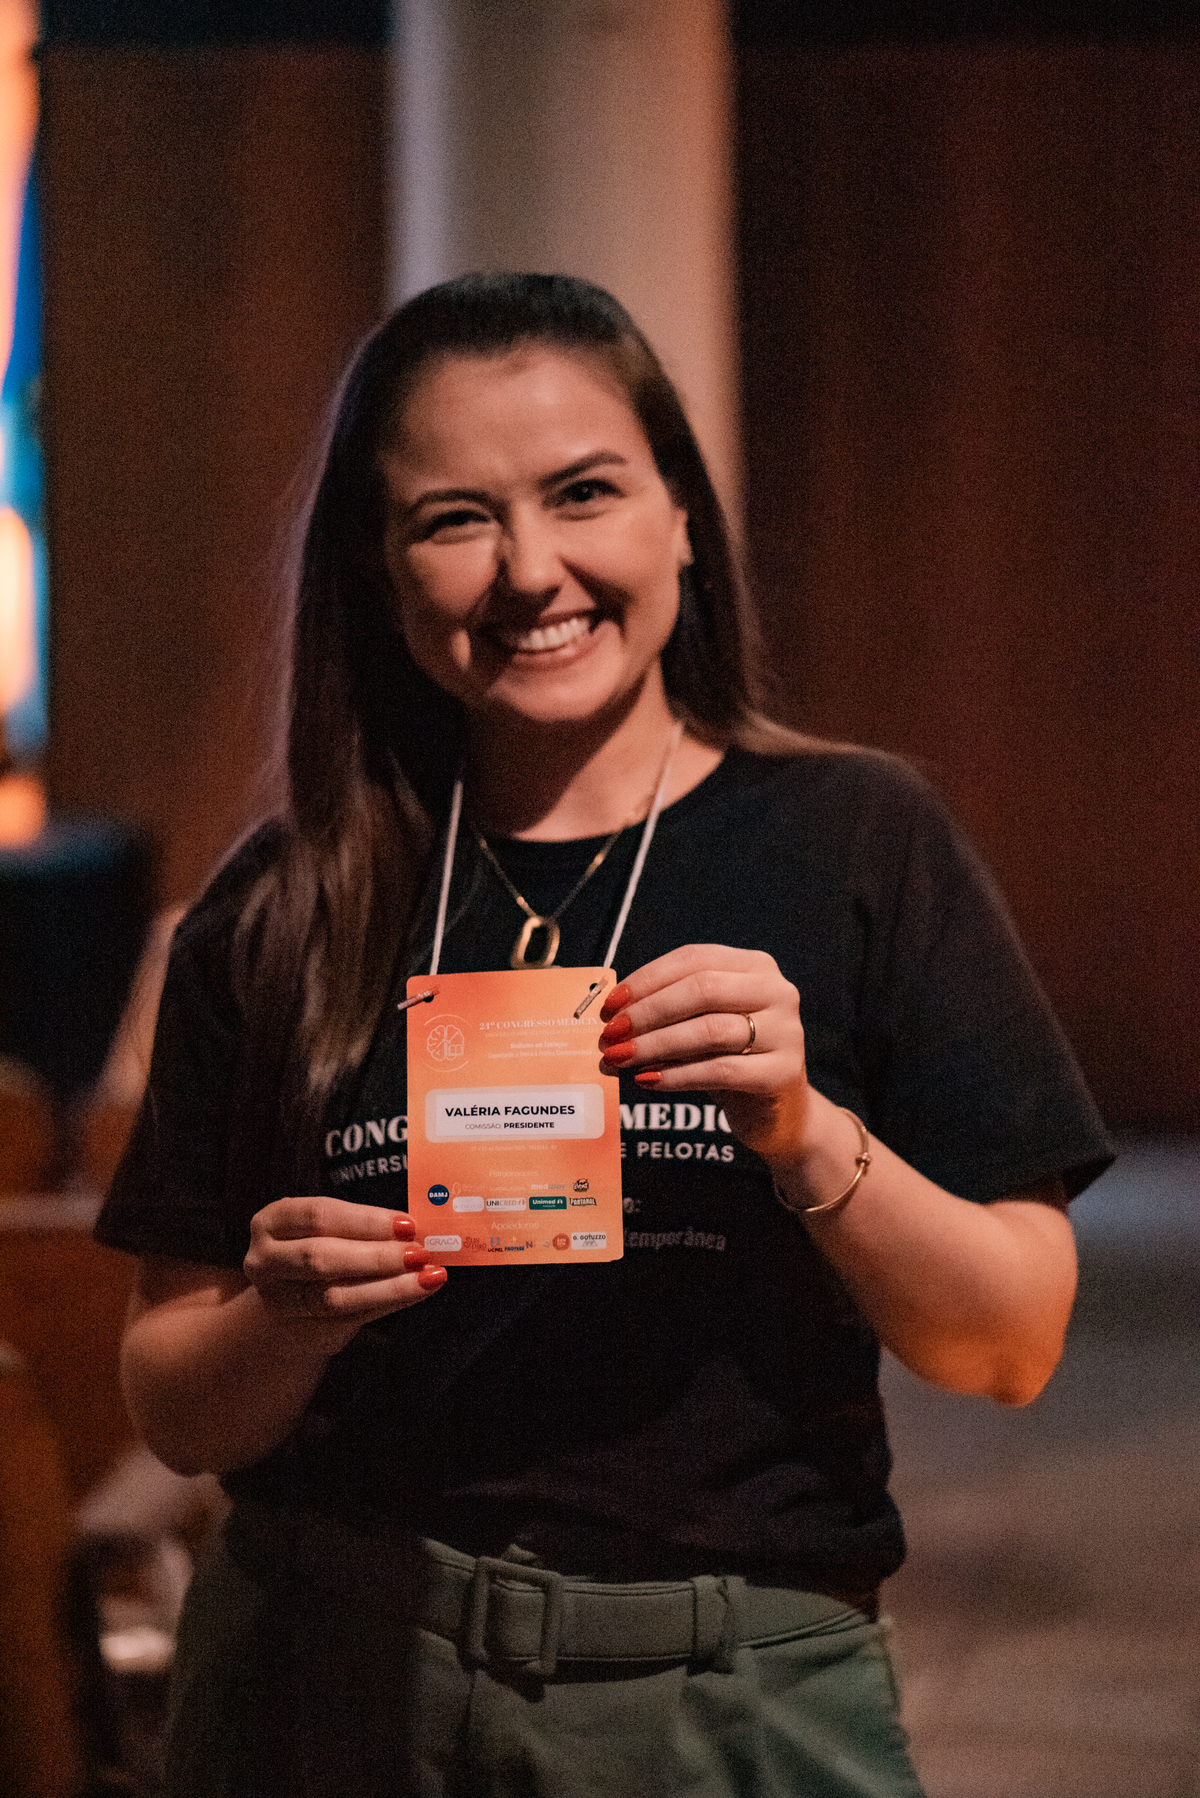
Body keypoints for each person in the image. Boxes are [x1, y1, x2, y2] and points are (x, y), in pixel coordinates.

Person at [96, 272, 1113, 1798]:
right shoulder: (282, 901)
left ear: (682, 517)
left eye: (584, 492)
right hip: (331, 1664)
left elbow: (1011, 1339)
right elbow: (173, 1403)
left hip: (726, 1690)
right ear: (376, 564)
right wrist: (285, 1319)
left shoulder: (857, 839)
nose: (531, 570)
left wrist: (806, 1134)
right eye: (454, 518)